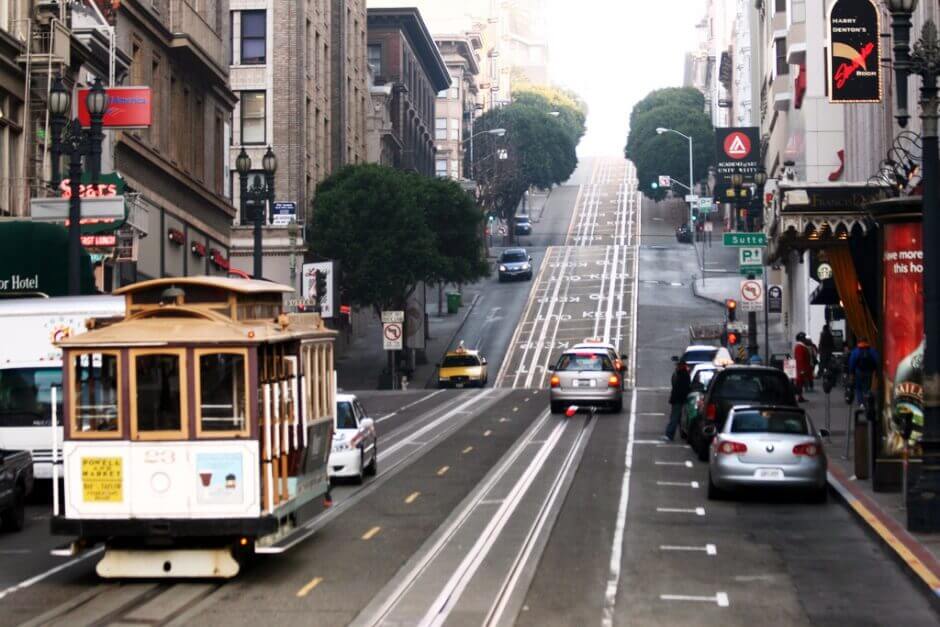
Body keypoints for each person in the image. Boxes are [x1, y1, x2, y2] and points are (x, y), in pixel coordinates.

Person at [663, 360, 691, 442]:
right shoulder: (680, 374)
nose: (677, 367)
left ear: (682, 366)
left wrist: (677, 398)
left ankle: (669, 434)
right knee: (677, 417)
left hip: (678, 400)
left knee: (674, 417)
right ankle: (679, 434)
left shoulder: (683, 375)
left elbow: (681, 389)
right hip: (678, 399)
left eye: (679, 365)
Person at [848, 338, 881, 406]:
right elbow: (878, 361)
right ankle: (868, 401)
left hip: (859, 371)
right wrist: (877, 371)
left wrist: (851, 373)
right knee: (868, 387)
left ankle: (861, 403)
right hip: (869, 372)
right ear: (867, 342)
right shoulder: (872, 350)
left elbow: (852, 363)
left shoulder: (856, 351)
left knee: (859, 388)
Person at [794, 332, 812, 402]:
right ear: (801, 339)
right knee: (799, 383)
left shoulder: (801, 346)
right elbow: (800, 359)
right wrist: (802, 370)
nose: (805, 339)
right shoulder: (799, 347)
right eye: (804, 338)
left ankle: (800, 397)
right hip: (801, 369)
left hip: (803, 368)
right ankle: (799, 397)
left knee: (801, 383)